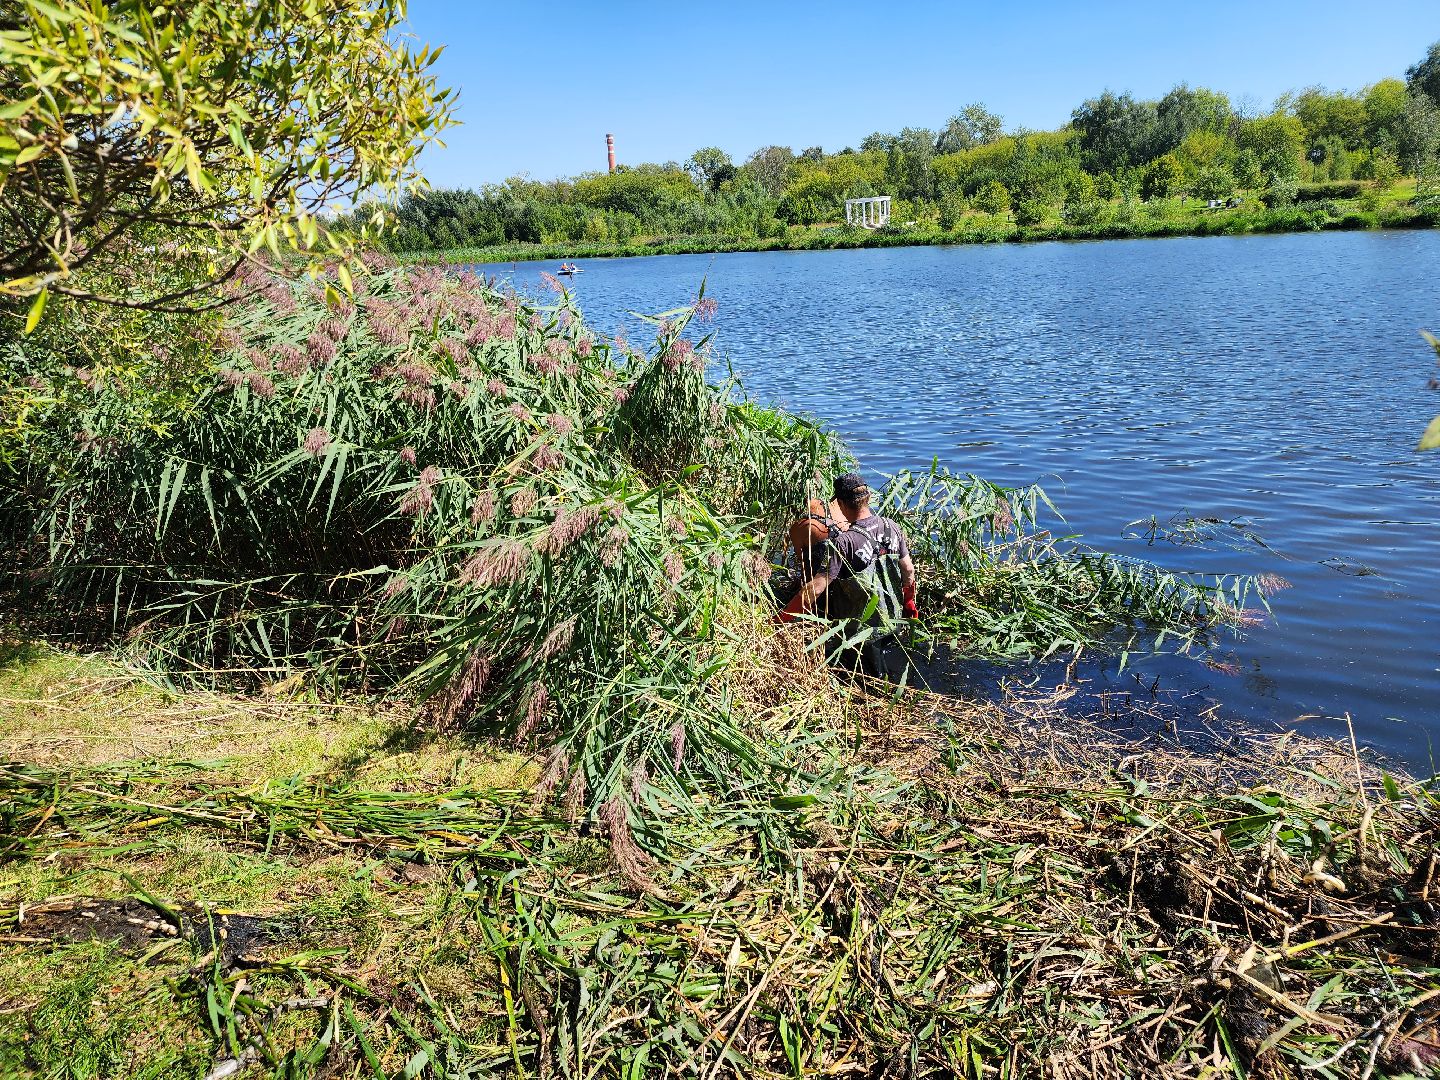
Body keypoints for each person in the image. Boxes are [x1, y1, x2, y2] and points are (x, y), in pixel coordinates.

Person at [775, 473, 919, 672]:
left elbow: (816, 588)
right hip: (893, 618)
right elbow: (909, 570)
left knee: (869, 679)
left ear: (840, 503)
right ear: (868, 498)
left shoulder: (845, 542)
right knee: (886, 665)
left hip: (862, 631)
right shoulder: (891, 527)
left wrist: (781, 618)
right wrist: (909, 603)